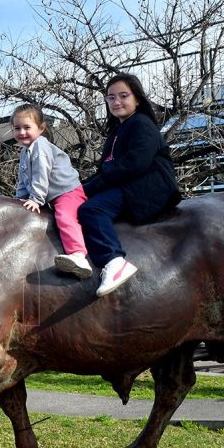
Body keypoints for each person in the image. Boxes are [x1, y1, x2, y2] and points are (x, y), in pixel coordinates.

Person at [78, 73, 181, 297]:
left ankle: (113, 261)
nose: (116, 102)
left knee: (92, 209)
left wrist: (91, 188)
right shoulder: (118, 131)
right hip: (129, 184)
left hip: (148, 187)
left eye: (123, 96)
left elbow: (135, 164)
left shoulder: (142, 125)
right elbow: (106, 171)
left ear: (137, 98)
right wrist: (81, 188)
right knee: (80, 197)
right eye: (110, 97)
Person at [12, 104, 92, 279]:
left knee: (64, 217)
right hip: (54, 196)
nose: (22, 132)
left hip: (68, 192)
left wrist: (36, 199)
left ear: (41, 128)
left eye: (27, 127)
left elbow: (42, 173)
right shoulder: (25, 152)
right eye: (17, 128)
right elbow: (24, 180)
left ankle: (78, 254)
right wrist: (18, 201)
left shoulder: (40, 145)